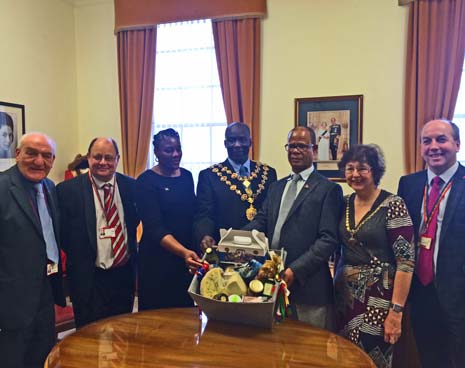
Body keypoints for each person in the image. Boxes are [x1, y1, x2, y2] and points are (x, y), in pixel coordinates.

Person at [243, 126, 343, 329]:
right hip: (272, 284)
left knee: (310, 354)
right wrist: (235, 239)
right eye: (291, 146)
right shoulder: (276, 187)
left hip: (309, 288)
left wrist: (295, 270)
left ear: (314, 151)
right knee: (277, 350)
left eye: (301, 146)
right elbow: (261, 221)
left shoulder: (328, 189)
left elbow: (328, 239)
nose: (295, 151)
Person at [334, 144, 415, 368]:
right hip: (343, 298)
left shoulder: (393, 205)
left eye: (362, 169)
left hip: (378, 301)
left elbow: (406, 262)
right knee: (344, 359)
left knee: (372, 359)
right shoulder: (344, 203)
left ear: (375, 171)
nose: (355, 175)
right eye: (349, 169)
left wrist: (396, 312)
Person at [398, 119, 465, 368]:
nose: (433, 146)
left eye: (441, 139)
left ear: (457, 144)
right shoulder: (409, 184)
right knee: (429, 358)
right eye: (427, 141)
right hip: (420, 292)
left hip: (459, 295)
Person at [57, 137, 139, 328]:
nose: (103, 162)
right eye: (97, 157)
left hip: (123, 276)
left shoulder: (132, 187)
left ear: (117, 159)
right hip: (88, 278)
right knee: (88, 338)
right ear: (88, 158)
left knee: (122, 335)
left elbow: (134, 222)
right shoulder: (67, 190)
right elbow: (63, 235)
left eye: (109, 158)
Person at [0, 132, 65, 368]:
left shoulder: (49, 186)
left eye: (46, 156)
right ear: (17, 154)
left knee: (42, 356)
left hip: (45, 291)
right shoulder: (2, 187)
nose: (39, 161)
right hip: (10, 301)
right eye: (32, 153)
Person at [136, 129, 202, 310]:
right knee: (155, 322)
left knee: (184, 318)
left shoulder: (187, 176)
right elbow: (154, 228)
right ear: (156, 152)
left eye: (178, 149)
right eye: (168, 150)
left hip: (184, 263)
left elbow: (193, 216)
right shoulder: (145, 181)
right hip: (157, 263)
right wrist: (184, 252)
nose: (175, 154)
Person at [194, 122, 277, 249]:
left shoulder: (268, 173)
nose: (237, 145)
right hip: (224, 247)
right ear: (225, 144)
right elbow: (204, 214)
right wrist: (205, 234)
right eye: (232, 140)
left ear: (250, 142)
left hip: (260, 247)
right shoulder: (210, 175)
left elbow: (271, 213)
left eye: (242, 140)